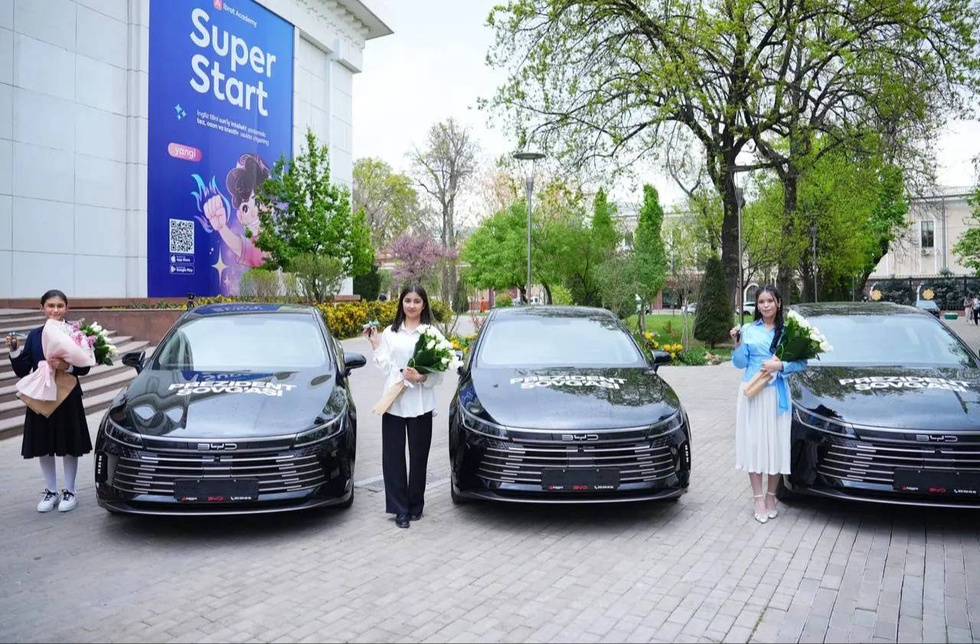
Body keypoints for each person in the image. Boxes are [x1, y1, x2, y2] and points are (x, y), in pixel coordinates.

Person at [364, 285, 444, 528]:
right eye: (407, 300)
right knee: (393, 457)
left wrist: (421, 377)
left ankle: (415, 505)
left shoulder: (432, 333)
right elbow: (385, 368)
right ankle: (399, 509)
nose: (411, 305)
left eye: (417, 301)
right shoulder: (391, 332)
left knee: (419, 457)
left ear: (424, 304)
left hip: (421, 403)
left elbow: (439, 373)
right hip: (394, 402)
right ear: (401, 303)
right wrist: (375, 343)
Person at [6, 290, 92, 513]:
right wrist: (14, 351)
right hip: (41, 394)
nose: (55, 310)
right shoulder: (35, 335)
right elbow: (23, 370)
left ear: (67, 308)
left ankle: (70, 491)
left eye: (60, 306)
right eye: (51, 306)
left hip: (68, 395)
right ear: (42, 308)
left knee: (69, 445)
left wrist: (67, 367)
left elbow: (84, 368)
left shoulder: (74, 333)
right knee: (43, 445)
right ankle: (51, 491)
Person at [729, 285, 807, 525]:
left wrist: (780, 366)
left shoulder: (789, 332)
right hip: (752, 393)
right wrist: (737, 343)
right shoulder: (748, 330)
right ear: (757, 305)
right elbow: (739, 363)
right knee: (754, 445)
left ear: (778, 303)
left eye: (770, 301)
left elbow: (802, 363)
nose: (765, 305)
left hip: (776, 394)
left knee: (775, 445)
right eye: (761, 301)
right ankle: (758, 499)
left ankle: (771, 496)